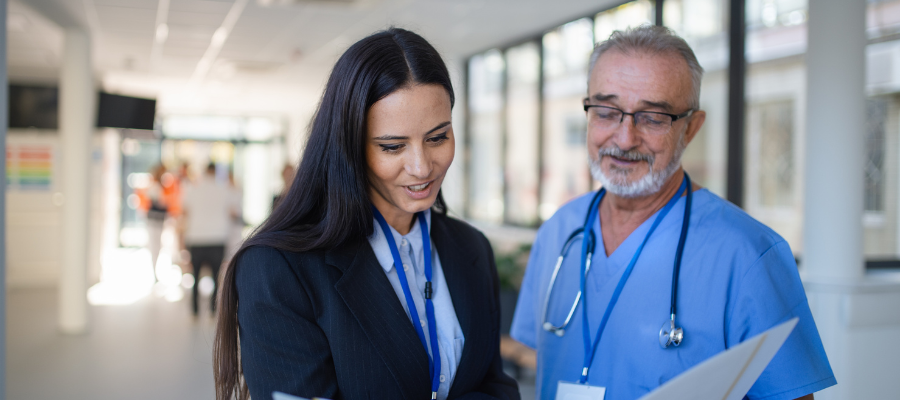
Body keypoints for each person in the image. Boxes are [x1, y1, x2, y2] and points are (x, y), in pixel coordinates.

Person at [510, 26, 835, 400]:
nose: (625, 137)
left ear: (691, 128)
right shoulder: (558, 231)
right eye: (606, 111)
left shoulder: (748, 254)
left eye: (652, 117)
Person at [213, 28, 520, 400]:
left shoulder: (470, 248)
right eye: (392, 146)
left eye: (438, 137)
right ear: (349, 147)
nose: (422, 168)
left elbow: (495, 387)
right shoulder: (279, 268)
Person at [182, 162, 233, 316]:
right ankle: (213, 308)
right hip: (217, 237)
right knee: (216, 275)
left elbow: (186, 213)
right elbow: (231, 211)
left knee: (195, 275)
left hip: (196, 237)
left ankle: (195, 309)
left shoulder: (192, 189)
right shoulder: (224, 189)